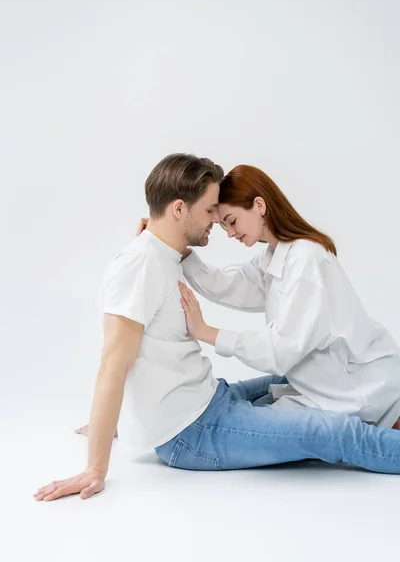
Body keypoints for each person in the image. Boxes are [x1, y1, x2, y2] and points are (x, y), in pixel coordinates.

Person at [33, 154, 400, 503]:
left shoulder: (167, 256)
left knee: (286, 381)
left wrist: (204, 333)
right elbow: (114, 361)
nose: (218, 225)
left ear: (259, 206)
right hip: (193, 428)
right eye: (211, 212)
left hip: (216, 398)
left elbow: (270, 336)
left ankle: (387, 416)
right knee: (330, 432)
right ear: (179, 209)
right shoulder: (143, 264)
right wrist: (98, 462)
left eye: (226, 217)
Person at [178, 164, 400, 430]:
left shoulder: (306, 259)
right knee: (238, 416)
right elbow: (229, 285)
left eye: (232, 221)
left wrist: (206, 332)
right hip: (328, 391)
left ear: (259, 205)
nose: (231, 234)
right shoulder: (276, 256)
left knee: (241, 424)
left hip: (367, 394)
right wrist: (182, 250)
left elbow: (282, 350)